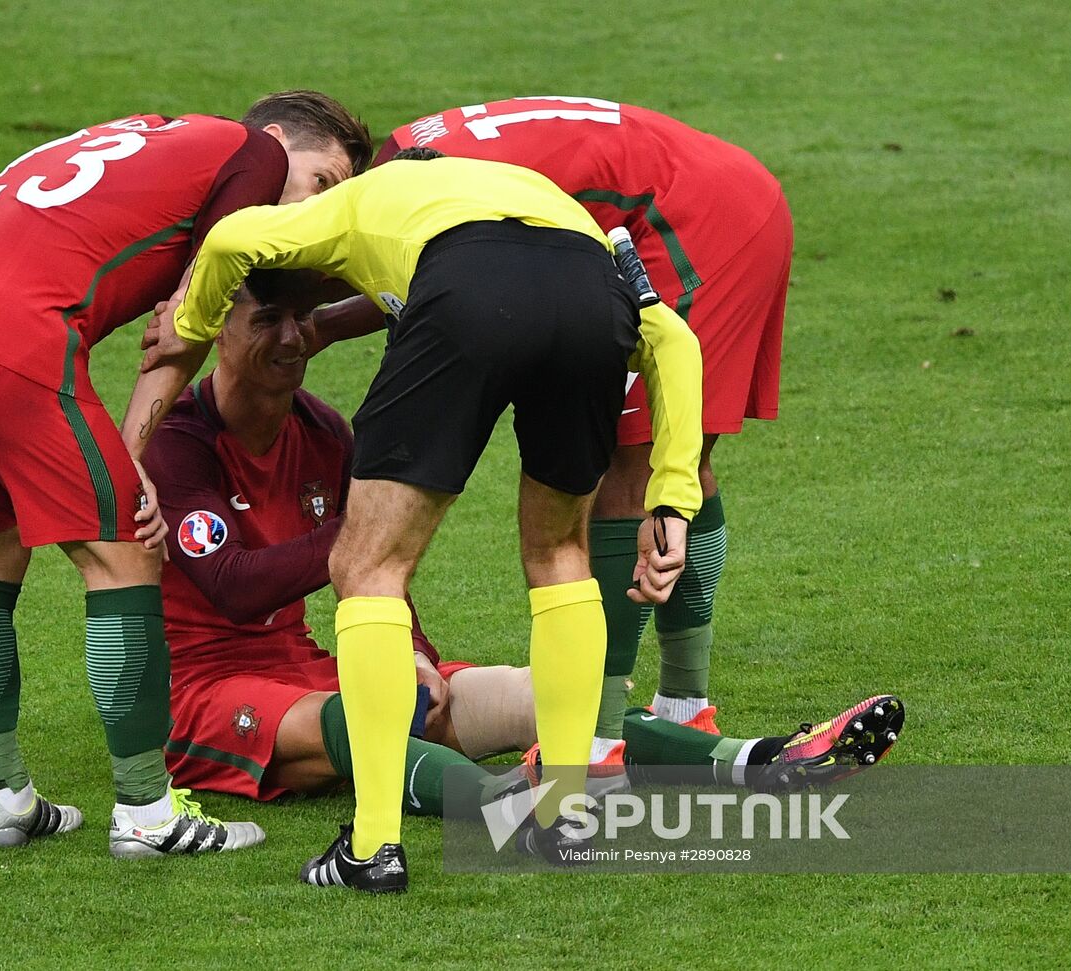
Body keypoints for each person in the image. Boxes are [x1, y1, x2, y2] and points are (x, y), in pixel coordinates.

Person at [140, 150, 707, 893]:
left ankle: (372, 847)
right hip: (587, 295)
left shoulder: (366, 200)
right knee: (561, 551)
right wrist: (671, 497)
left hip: (466, 284)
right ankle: (567, 814)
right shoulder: (549, 200)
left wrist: (191, 320)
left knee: (368, 566)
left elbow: (228, 243)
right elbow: (677, 343)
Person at [145, 281, 905, 828]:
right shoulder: (180, 442)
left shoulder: (322, 429)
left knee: (553, 696)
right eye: (264, 320)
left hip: (315, 657)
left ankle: (762, 759)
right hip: (204, 692)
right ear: (216, 327)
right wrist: (361, 541)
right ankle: (507, 805)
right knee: (363, 712)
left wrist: (410, 650)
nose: (289, 338)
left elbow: (375, 576)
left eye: (301, 319)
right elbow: (234, 587)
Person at [0, 91, 372, 857]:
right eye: (324, 183)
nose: (321, 208)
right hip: (7, 339)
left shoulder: (140, 138)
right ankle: (147, 813)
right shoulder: (253, 156)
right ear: (277, 142)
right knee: (128, 549)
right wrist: (134, 458)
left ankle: (2, 797)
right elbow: (188, 321)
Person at [315, 95, 794, 758]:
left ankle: (596, 742)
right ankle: (684, 706)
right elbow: (423, 265)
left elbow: (452, 270)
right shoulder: (412, 161)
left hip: (688, 222)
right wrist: (320, 326)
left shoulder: (409, 188)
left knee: (630, 469)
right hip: (715, 193)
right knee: (672, 460)